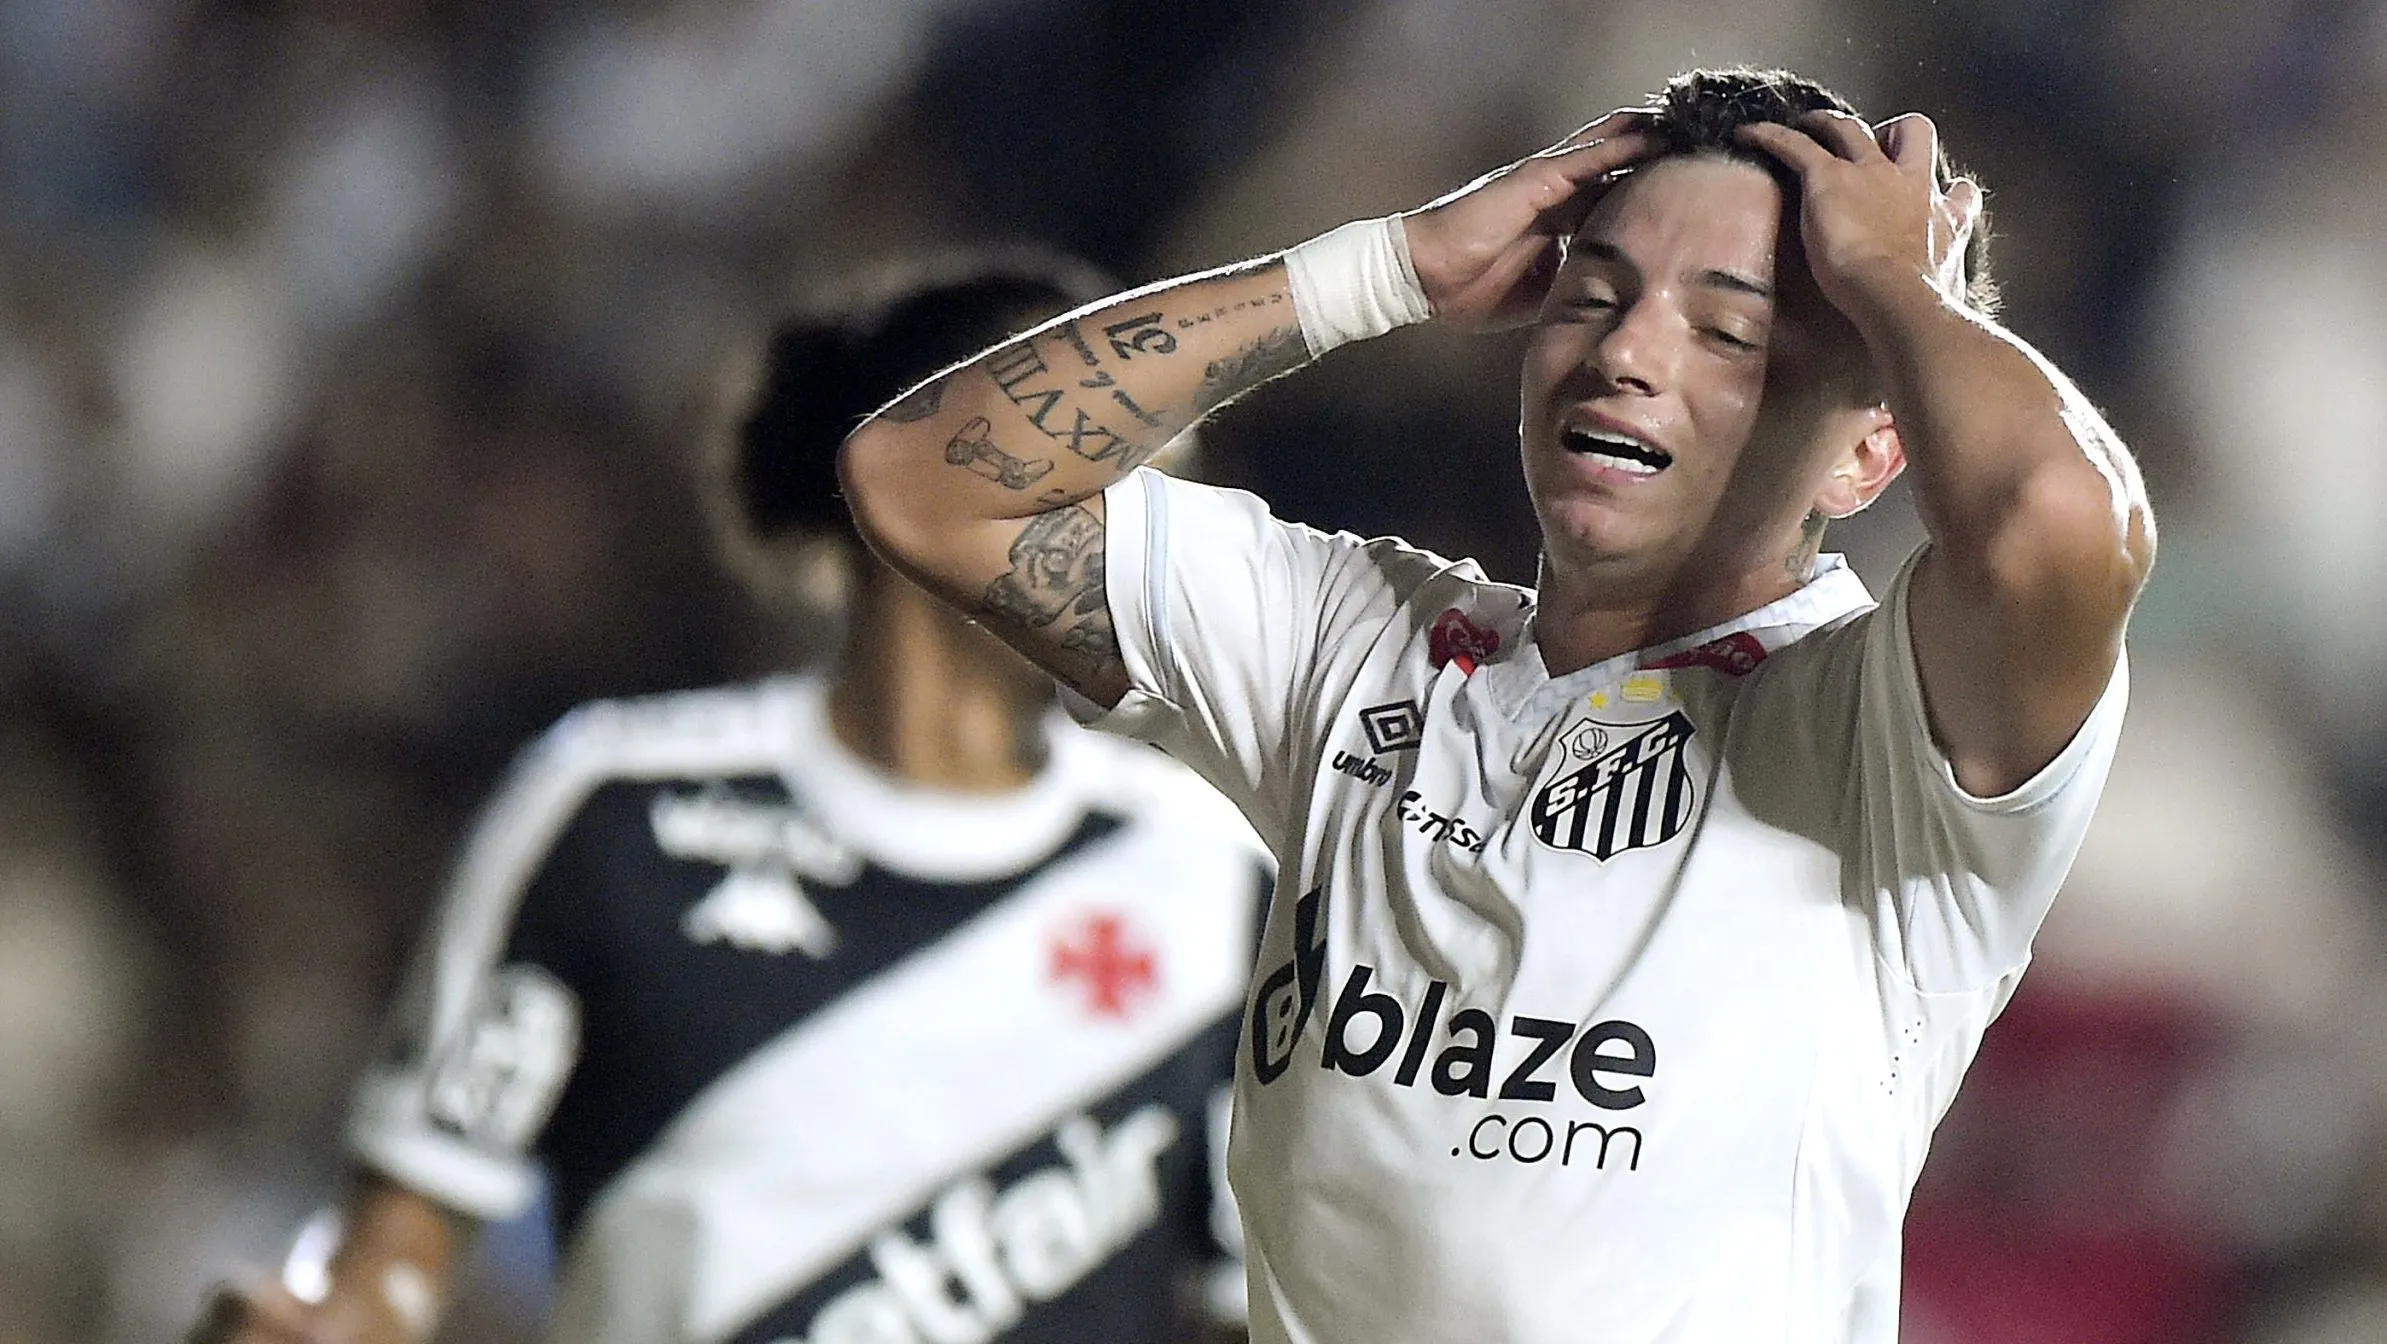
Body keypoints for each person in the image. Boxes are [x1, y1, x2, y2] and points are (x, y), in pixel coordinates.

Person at [837, 67, 2154, 1342]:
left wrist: (1884, 282)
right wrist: (1377, 272)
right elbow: (921, 481)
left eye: (1727, 330)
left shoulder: (1889, 734)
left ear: (1870, 451)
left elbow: (2050, 521)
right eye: (1589, 297)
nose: (1625, 351)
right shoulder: (1352, 644)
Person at [190, 255, 1270, 1344]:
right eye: (1113, 474)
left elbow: (1263, 1305)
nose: (1165, 548)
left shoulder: (1215, 877)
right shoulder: (613, 818)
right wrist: (324, 1320)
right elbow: (399, 1246)